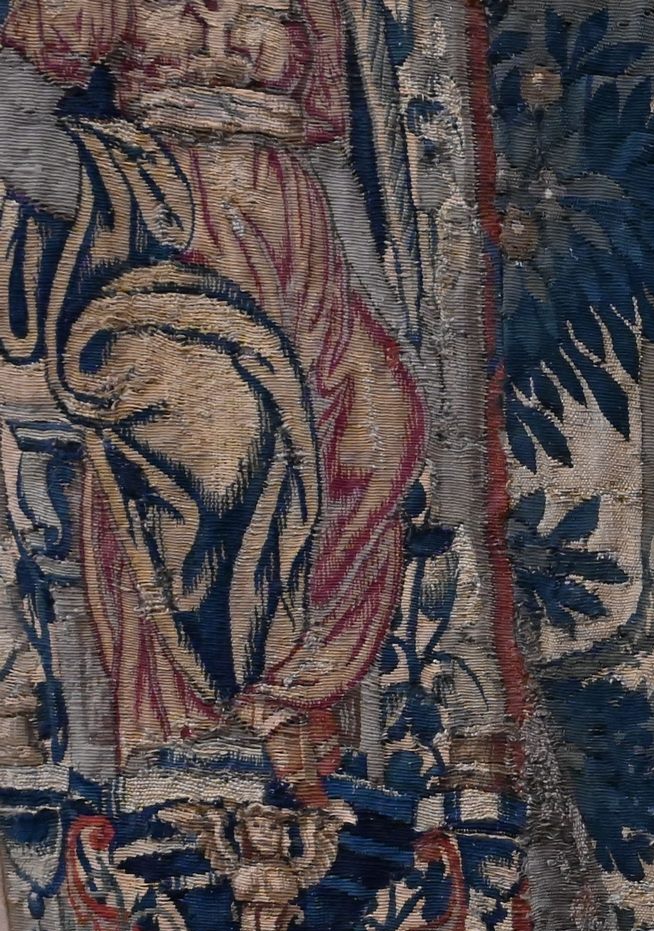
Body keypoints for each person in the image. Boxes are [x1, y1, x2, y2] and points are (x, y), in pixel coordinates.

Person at [0, 0, 425, 794]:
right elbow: (11, 112)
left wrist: (386, 314)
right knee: (229, 432)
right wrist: (106, 186)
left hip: (301, 250)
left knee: (383, 430)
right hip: (164, 250)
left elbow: (331, 161)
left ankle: (294, 693)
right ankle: (203, 719)